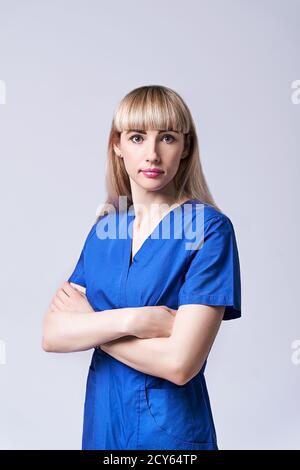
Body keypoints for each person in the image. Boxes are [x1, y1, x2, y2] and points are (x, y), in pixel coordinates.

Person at [42, 85, 242, 450]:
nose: (152, 154)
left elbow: (180, 364)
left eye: (166, 138)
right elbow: (53, 335)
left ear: (185, 148)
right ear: (117, 145)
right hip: (103, 427)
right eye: (137, 137)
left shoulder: (209, 230)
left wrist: (93, 327)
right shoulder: (106, 229)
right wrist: (135, 321)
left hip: (169, 437)